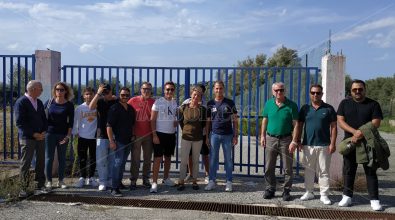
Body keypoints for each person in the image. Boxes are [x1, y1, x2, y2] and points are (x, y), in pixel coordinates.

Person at [337, 79, 384, 211]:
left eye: (360, 89)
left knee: (370, 171)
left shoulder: (373, 104)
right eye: (354, 89)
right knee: (348, 170)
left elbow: (376, 122)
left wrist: (361, 133)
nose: (357, 91)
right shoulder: (344, 103)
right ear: (350, 91)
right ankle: (347, 197)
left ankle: (374, 200)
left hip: (369, 143)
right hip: (350, 141)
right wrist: (354, 133)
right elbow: (340, 120)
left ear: (364, 90)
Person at [297, 84, 337, 205]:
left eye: (318, 93)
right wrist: (298, 140)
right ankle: (309, 192)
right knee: (309, 170)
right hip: (307, 145)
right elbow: (299, 125)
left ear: (322, 94)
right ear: (310, 94)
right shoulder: (305, 109)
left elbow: (334, 127)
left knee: (323, 171)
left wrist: (333, 143)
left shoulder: (329, 109)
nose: (315, 95)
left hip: (324, 144)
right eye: (313, 93)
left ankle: (324, 195)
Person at [260, 82, 299, 201]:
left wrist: (294, 141)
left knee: (288, 167)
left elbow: (296, 124)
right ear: (273, 91)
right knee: (268, 166)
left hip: (286, 139)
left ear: (284, 91)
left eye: (281, 90)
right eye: (276, 90)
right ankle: (270, 188)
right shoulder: (268, 104)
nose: (279, 92)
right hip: (271, 138)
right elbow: (265, 120)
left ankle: (286, 191)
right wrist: (262, 136)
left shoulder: (291, 105)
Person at [14, 80, 48, 198]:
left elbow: (44, 118)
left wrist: (43, 131)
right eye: (40, 89)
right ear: (33, 89)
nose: (42, 91)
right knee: (26, 163)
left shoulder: (38, 102)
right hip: (28, 138)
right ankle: (23, 188)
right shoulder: (21, 102)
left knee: (40, 161)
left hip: (40, 137)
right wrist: (34, 134)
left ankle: (40, 185)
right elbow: (20, 122)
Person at [205, 80, 238, 192]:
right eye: (217, 88)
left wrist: (235, 135)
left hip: (228, 135)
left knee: (228, 159)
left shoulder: (230, 102)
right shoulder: (210, 104)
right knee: (213, 159)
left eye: (221, 88)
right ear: (214, 89)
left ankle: (228, 182)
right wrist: (207, 137)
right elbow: (208, 121)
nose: (219, 90)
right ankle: (212, 181)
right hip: (214, 135)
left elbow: (235, 120)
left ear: (223, 89)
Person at [44, 82, 74, 190]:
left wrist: (67, 136)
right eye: (57, 89)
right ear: (54, 91)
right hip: (50, 134)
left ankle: (61, 181)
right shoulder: (49, 102)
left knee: (62, 158)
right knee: (49, 158)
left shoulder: (69, 105)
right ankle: (48, 181)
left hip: (63, 135)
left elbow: (71, 122)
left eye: (62, 90)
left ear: (66, 91)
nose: (59, 92)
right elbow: (42, 117)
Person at [107, 87, 136, 197]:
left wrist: (133, 135)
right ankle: (114, 188)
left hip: (128, 141)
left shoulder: (131, 109)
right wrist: (111, 141)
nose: (124, 97)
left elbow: (132, 124)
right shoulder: (114, 108)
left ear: (129, 96)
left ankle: (118, 183)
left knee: (122, 163)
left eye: (127, 95)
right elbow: (109, 126)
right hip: (118, 141)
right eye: (123, 95)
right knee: (117, 164)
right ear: (119, 95)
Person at [177, 86, 207, 191]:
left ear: (200, 98)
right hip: (186, 137)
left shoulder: (203, 109)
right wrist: (186, 130)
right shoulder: (183, 107)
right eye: (194, 94)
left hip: (198, 138)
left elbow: (204, 124)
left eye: (198, 95)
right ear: (191, 95)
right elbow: (181, 122)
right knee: (184, 160)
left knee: (195, 160)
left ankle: (194, 181)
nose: (196, 97)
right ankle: (181, 181)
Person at [150, 81, 178, 193]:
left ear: (174, 91)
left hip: (171, 134)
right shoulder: (158, 102)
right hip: (160, 134)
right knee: (157, 159)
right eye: (167, 89)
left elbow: (174, 116)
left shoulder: (174, 102)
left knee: (168, 158)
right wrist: (154, 135)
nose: (169, 91)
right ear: (164, 90)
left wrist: (176, 121)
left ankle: (166, 178)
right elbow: (152, 120)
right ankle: (154, 182)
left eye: (171, 89)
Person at [89, 83, 118, 191]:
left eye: (107, 92)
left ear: (111, 92)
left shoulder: (116, 101)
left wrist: (115, 97)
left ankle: (110, 180)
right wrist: (98, 93)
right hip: (101, 135)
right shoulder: (100, 101)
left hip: (114, 135)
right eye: (104, 92)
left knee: (112, 160)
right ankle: (102, 181)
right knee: (101, 160)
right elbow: (91, 107)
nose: (106, 94)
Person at [127, 82, 155, 190]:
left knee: (148, 158)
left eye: (148, 89)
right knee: (135, 159)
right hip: (136, 135)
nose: (146, 91)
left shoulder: (154, 102)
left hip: (149, 135)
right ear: (140, 89)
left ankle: (145, 179)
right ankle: (133, 180)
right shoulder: (133, 100)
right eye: (144, 88)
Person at [72, 87, 98, 188]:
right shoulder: (79, 108)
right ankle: (82, 177)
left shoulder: (97, 107)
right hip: (82, 136)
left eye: (91, 94)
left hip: (94, 137)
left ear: (94, 95)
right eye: (86, 94)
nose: (89, 96)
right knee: (82, 158)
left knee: (93, 158)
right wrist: (75, 132)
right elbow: (76, 121)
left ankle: (91, 178)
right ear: (83, 96)